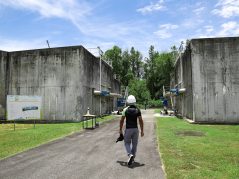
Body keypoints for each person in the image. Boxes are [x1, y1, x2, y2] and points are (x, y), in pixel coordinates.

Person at [119, 95, 144, 166]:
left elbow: (121, 121)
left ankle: (130, 155)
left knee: (127, 143)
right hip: (135, 130)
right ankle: (132, 157)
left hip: (128, 129)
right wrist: (142, 130)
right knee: (134, 144)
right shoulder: (138, 110)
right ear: (135, 101)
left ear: (128, 102)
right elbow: (141, 120)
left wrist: (120, 130)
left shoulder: (125, 110)